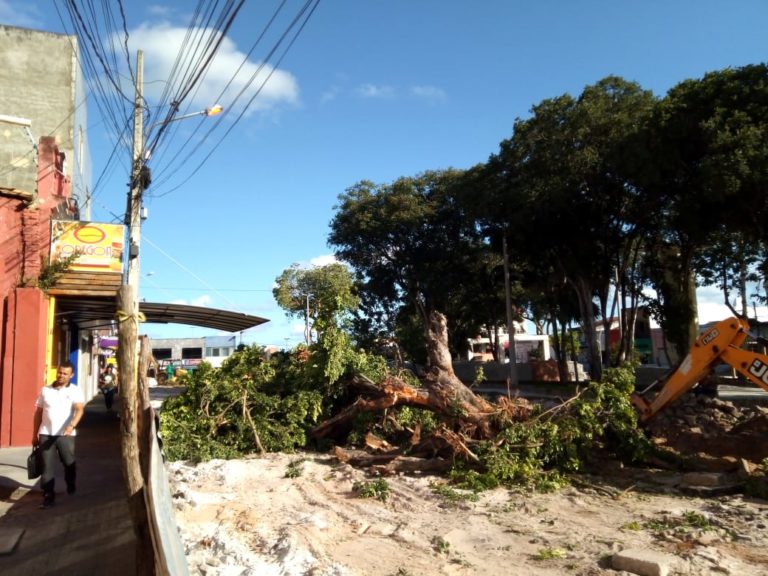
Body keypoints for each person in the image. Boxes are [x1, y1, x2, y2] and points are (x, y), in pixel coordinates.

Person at [32, 361, 85, 509]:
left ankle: (71, 482)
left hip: (65, 435)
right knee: (46, 467)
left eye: (65, 373)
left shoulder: (75, 390)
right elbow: (38, 413)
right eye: (60, 372)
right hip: (46, 434)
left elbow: (79, 409)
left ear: (71, 375)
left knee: (69, 463)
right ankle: (48, 496)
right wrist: (34, 434)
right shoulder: (45, 390)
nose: (61, 375)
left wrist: (71, 426)